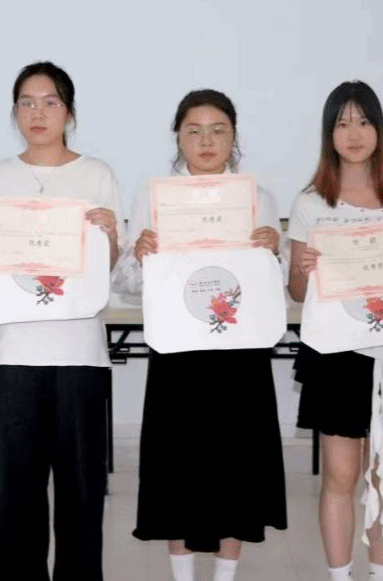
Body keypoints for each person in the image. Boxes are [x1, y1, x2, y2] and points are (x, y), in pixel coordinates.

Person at [116, 89, 287, 581]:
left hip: (240, 355)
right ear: (178, 138)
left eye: (218, 130)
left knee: (239, 471)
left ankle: (225, 576)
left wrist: (274, 253)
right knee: (177, 471)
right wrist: (140, 255)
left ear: (234, 137)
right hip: (178, 354)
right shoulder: (154, 198)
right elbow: (126, 283)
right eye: (194, 131)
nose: (206, 141)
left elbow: (276, 286)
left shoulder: (259, 198)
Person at [0, 61, 121, 581]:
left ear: (69, 112)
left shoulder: (97, 175)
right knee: (17, 489)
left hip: (80, 353)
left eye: (50, 102)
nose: (38, 113)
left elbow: (109, 266)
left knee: (81, 488)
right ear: (14, 113)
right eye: (26, 103)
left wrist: (109, 236)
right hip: (14, 352)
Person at [286, 81, 383, 581]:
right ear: (329, 134)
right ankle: (340, 576)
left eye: (364, 121)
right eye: (342, 123)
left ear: (379, 129)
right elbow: (297, 292)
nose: (354, 133)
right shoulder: (312, 203)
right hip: (337, 354)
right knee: (341, 476)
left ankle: (382, 576)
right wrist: (304, 270)